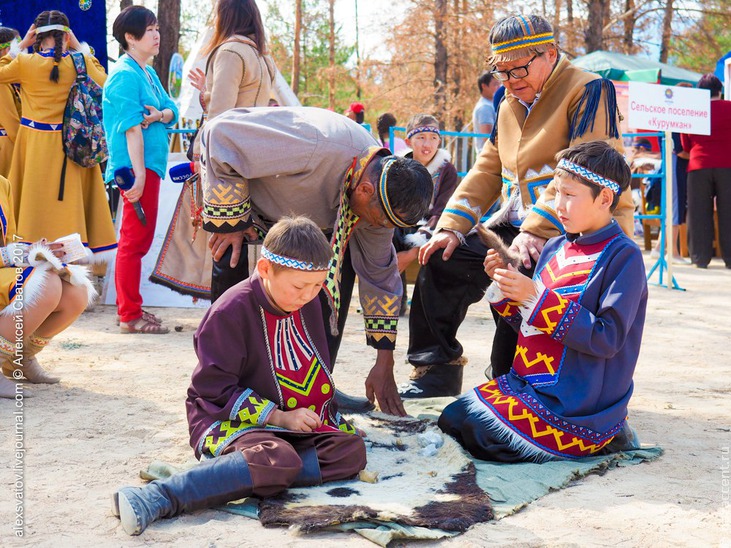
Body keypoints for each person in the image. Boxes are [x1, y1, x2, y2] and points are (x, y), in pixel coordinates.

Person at [400, 14, 634, 399]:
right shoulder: (508, 100)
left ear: (551, 52)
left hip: (579, 228)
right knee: (442, 258)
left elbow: (580, 168)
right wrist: (451, 225)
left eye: (519, 69)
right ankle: (436, 368)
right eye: (502, 72)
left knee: (518, 269)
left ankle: (515, 377)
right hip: (519, 223)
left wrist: (534, 232)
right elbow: (489, 165)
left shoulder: (589, 89)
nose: (511, 80)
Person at [112, 216, 367, 535]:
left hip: (283, 425)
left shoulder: (309, 301)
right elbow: (212, 391)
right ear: (265, 270)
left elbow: (311, 370)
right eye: (300, 286)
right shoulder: (228, 312)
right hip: (224, 418)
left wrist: (298, 418)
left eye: (317, 285)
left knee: (350, 451)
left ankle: (240, 473)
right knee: (279, 457)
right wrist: (278, 417)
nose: (308, 295)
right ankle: (159, 496)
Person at [199, 106, 433, 415]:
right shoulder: (315, 143)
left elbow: (380, 276)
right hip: (255, 216)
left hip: (312, 229)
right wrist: (234, 219)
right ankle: (230, 395)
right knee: (233, 255)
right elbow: (220, 132)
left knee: (328, 275)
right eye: (379, 221)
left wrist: (384, 362)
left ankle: (315, 388)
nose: (379, 229)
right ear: (364, 190)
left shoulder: (378, 202)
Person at [438, 141, 646, 462]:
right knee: (452, 420)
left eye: (569, 195)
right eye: (556, 192)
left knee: (482, 438)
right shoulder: (554, 247)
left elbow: (607, 339)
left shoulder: (624, 257)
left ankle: (608, 435)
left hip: (579, 405)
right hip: (531, 387)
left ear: (604, 198)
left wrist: (535, 297)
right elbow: (530, 324)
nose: (558, 205)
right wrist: (505, 286)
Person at [171, 0, 275, 299]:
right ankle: (242, 320)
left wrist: (202, 159)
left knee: (225, 248)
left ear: (225, 15)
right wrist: (209, 92)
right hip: (254, 160)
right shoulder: (261, 56)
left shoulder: (230, 51)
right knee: (244, 245)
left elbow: (220, 118)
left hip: (227, 164)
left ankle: (223, 324)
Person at [0, 11, 116, 260]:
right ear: (66, 35)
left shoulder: (24, 63)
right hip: (70, 147)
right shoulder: (78, 63)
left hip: (33, 146)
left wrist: (19, 47)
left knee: (30, 209)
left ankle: (30, 265)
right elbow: (107, 83)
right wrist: (80, 47)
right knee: (68, 210)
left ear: (37, 35)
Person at [103, 5, 179, 334]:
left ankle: (131, 308)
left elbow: (171, 109)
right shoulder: (124, 75)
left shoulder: (147, 72)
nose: (157, 34)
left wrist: (159, 115)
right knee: (134, 241)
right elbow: (131, 129)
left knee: (140, 240)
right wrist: (140, 173)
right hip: (135, 169)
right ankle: (129, 315)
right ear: (130, 38)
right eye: (149, 30)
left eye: (157, 27)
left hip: (148, 167)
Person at [0, 174, 95, 398]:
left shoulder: (2, 183)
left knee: (75, 290)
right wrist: (11, 255)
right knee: (46, 284)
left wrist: (37, 250)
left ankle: (19, 359)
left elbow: (8, 243)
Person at [392, 114, 458, 315]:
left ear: (439, 141)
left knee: (441, 243)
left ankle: (426, 305)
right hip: (403, 222)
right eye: (421, 138)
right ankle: (395, 298)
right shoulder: (398, 167)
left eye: (433, 138)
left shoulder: (447, 171)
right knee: (389, 233)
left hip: (433, 224)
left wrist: (411, 254)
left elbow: (442, 211)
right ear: (408, 141)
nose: (427, 144)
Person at [681, 74, 731, 269]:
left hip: (698, 165)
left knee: (698, 212)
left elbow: (686, 144)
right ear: (720, 90)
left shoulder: (693, 112)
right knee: (729, 212)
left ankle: (700, 258)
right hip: (728, 165)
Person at [0, 28, 21, 178]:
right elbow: (12, 125)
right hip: (5, 150)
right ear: (6, 50)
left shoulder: (8, 81)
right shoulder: (1, 83)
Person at [472, 71, 500, 155]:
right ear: (484, 86)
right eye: (495, 84)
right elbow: (488, 138)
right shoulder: (485, 108)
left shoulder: (492, 104)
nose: (498, 87)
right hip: (488, 156)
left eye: (499, 84)